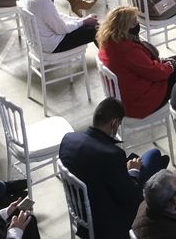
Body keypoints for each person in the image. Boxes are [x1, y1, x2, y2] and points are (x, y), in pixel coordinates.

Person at [58, 98, 170, 239]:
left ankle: (159, 165)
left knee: (154, 159)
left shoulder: (68, 139)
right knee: (154, 158)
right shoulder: (111, 154)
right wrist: (133, 172)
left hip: (81, 210)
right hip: (107, 223)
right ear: (114, 123)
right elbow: (132, 198)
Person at [97, 6, 176, 119]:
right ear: (124, 27)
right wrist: (169, 66)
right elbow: (155, 73)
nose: (137, 24)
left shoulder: (109, 42)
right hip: (140, 102)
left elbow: (143, 66)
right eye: (134, 22)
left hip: (125, 95)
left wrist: (164, 64)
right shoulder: (128, 50)